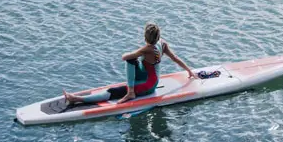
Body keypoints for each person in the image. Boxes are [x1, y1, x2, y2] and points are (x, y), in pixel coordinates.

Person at [62, 23, 194, 106]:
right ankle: (130, 90)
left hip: (147, 85)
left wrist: (133, 53)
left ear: (145, 37)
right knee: (133, 61)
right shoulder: (163, 44)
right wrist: (189, 71)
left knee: (113, 91)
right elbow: (175, 58)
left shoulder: (146, 49)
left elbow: (124, 57)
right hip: (151, 78)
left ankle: (76, 99)